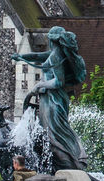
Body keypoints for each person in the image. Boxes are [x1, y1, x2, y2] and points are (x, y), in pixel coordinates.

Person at [11, 26, 89, 171]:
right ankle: (67, 161)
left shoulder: (56, 57)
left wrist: (39, 85)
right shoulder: (55, 53)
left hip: (54, 100)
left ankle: (69, 161)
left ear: (53, 41)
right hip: (51, 99)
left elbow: (58, 82)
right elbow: (37, 56)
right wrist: (21, 57)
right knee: (55, 132)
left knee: (55, 134)